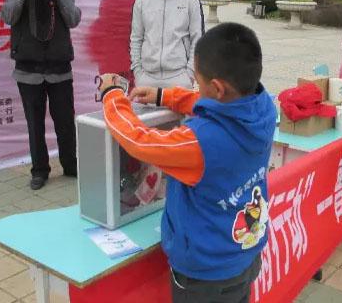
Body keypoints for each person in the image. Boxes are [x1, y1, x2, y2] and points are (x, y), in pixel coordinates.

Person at [99, 23, 276, 303]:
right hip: (245, 256)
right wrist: (164, 96)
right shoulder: (264, 107)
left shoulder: (200, 143)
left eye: (197, 81)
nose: (196, 87)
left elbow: (138, 141)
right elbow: (217, 105)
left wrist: (112, 95)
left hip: (204, 278)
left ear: (216, 88)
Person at [1, 0, 81, 190]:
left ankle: (71, 165)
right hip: (28, 71)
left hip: (60, 70)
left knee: (65, 122)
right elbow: (8, 17)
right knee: (34, 124)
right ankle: (39, 170)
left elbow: (74, 19)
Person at [130, 0, 204, 89]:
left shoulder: (190, 0)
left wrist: (189, 73)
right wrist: (138, 72)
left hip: (180, 78)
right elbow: (136, 39)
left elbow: (197, 39)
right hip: (146, 78)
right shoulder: (142, 1)